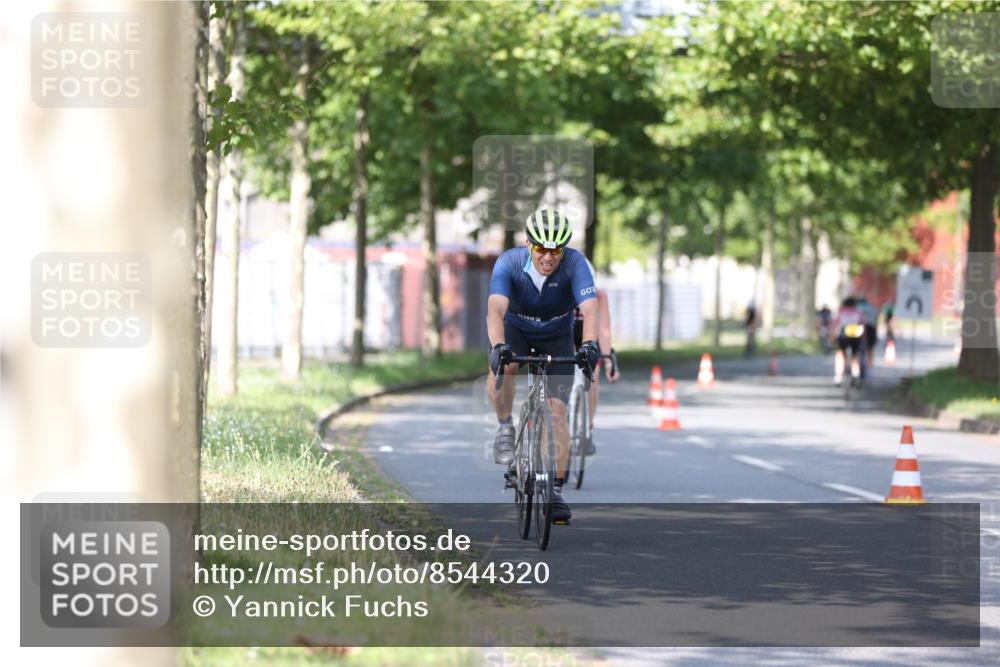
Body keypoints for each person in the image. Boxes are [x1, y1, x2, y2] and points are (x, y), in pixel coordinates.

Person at [487, 209, 599, 523]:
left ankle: (554, 490)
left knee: (556, 413)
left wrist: (589, 344)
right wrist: (498, 347)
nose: (548, 257)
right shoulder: (508, 263)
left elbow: (590, 308)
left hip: (557, 334)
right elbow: (495, 308)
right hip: (516, 330)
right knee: (503, 369)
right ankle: (505, 425)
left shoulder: (575, 264)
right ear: (528, 243)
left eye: (556, 250)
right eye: (541, 249)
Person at [572, 277, 620, 456]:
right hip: (566, 331)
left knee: (593, 374)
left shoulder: (599, 296)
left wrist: (608, 361)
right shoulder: (561, 289)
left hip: (589, 333)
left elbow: (604, 330)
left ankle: (586, 430)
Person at [830, 296, 866, 385]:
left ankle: (838, 376)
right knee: (855, 356)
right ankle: (856, 375)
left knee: (840, 354)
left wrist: (832, 336)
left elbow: (834, 325)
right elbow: (862, 326)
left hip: (844, 335)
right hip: (855, 336)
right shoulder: (858, 312)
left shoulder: (841, 312)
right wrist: (863, 338)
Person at [857, 296, 879, 371]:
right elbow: (875, 320)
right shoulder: (872, 308)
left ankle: (857, 365)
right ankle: (870, 366)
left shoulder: (857, 307)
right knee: (870, 349)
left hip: (859, 327)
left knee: (857, 348)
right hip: (871, 327)